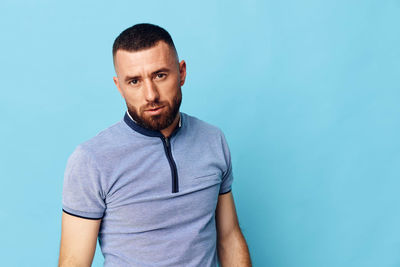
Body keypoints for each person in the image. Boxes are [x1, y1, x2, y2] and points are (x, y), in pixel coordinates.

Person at [58, 23, 251, 267]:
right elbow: (74, 262)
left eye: (160, 75)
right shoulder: (91, 159)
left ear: (181, 73)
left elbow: (229, 237)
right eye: (134, 81)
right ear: (119, 87)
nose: (151, 95)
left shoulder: (212, 140)